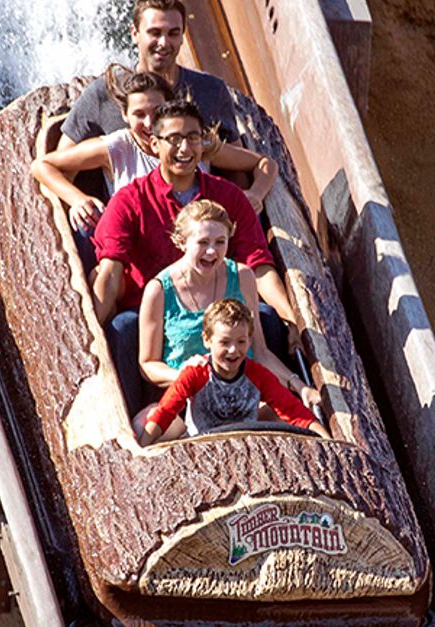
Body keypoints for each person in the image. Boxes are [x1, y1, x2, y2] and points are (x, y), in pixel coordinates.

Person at [93, 99, 302, 413]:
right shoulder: (129, 200)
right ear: (154, 144)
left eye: (193, 137)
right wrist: (90, 334)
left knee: (268, 318)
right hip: (153, 313)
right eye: (174, 139)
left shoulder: (227, 196)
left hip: (220, 306)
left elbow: (258, 266)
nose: (184, 148)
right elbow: (109, 273)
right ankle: (132, 414)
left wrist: (293, 319)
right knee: (122, 328)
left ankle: (271, 405)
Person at [135, 200, 318, 438]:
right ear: (182, 241)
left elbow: (260, 352)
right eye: (203, 242)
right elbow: (147, 364)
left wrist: (299, 386)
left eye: (220, 242)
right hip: (186, 401)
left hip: (243, 398)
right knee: (143, 427)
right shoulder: (159, 290)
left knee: (298, 421)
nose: (212, 251)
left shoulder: (242, 276)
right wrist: (184, 375)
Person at [31, 67, 278, 237]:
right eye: (139, 114)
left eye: (156, 112)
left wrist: (255, 193)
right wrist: (77, 199)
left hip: (199, 245)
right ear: (125, 115)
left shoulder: (193, 145)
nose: (149, 123)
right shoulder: (117, 146)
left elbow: (265, 164)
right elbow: (42, 165)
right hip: (139, 248)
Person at [137, 298, 331, 446]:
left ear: (249, 341)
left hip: (248, 446)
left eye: (241, 342)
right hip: (203, 446)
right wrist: (143, 446)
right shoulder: (195, 374)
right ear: (207, 340)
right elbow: (165, 411)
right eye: (224, 342)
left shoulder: (257, 375)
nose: (233, 350)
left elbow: (293, 411)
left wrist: (327, 441)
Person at [59, 0, 240, 152]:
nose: (164, 43)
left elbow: (239, 167)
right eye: (155, 33)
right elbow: (59, 161)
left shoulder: (211, 90)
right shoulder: (105, 92)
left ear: (182, 36)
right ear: (134, 34)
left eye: (173, 33)